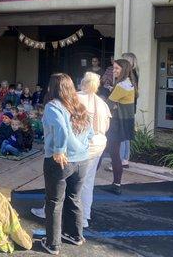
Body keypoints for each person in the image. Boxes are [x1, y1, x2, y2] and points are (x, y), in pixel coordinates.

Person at [40, 73, 92, 255]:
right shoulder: (79, 106)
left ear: (52, 88)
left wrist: (59, 150)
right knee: (74, 198)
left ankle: (53, 244)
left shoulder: (52, 106)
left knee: (54, 201)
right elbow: (90, 131)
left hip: (60, 161)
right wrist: (84, 147)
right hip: (82, 161)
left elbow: (61, 128)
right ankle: (75, 235)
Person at [77, 72, 111, 227]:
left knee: (65, 178)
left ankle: (50, 210)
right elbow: (106, 126)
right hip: (99, 142)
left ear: (83, 82)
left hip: (83, 142)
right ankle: (85, 216)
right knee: (88, 180)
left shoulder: (76, 98)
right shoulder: (102, 103)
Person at [106, 59, 137, 195]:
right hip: (126, 122)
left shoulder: (121, 86)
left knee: (113, 154)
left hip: (117, 123)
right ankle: (116, 183)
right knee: (114, 153)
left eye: (117, 69)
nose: (114, 71)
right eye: (114, 68)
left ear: (124, 70)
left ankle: (116, 185)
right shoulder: (131, 83)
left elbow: (108, 104)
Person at [121, 52, 139, 167]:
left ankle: (120, 160)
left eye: (123, 60)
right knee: (126, 134)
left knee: (121, 135)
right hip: (132, 106)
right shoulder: (136, 73)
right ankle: (125, 159)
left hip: (125, 107)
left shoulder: (128, 75)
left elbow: (124, 91)